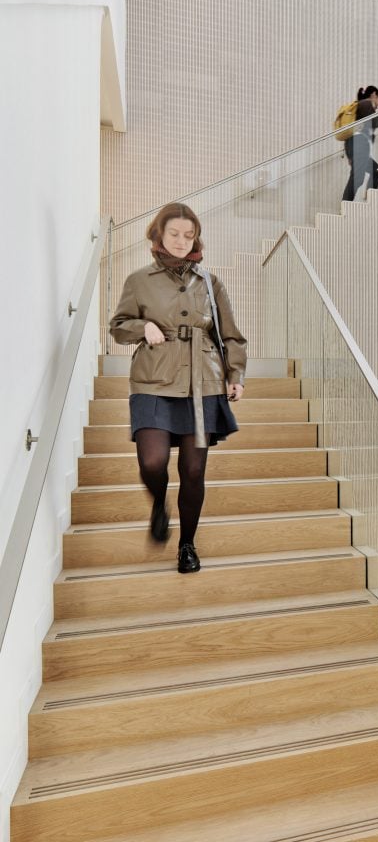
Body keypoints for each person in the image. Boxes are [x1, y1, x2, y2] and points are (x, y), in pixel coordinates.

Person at [109, 203, 247, 574]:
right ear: (158, 235)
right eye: (175, 234)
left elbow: (230, 334)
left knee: (193, 471)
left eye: (189, 235)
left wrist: (235, 375)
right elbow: (119, 325)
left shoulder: (209, 282)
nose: (183, 241)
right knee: (152, 461)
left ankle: (187, 543)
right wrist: (142, 329)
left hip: (202, 381)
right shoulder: (139, 280)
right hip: (153, 378)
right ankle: (158, 502)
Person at [342, 86, 378, 202]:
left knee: (375, 172)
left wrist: (349, 153)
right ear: (374, 95)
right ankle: (347, 205)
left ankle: (368, 199)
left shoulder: (361, 105)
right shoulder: (366, 105)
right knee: (358, 177)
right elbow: (374, 122)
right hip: (359, 144)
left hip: (355, 145)